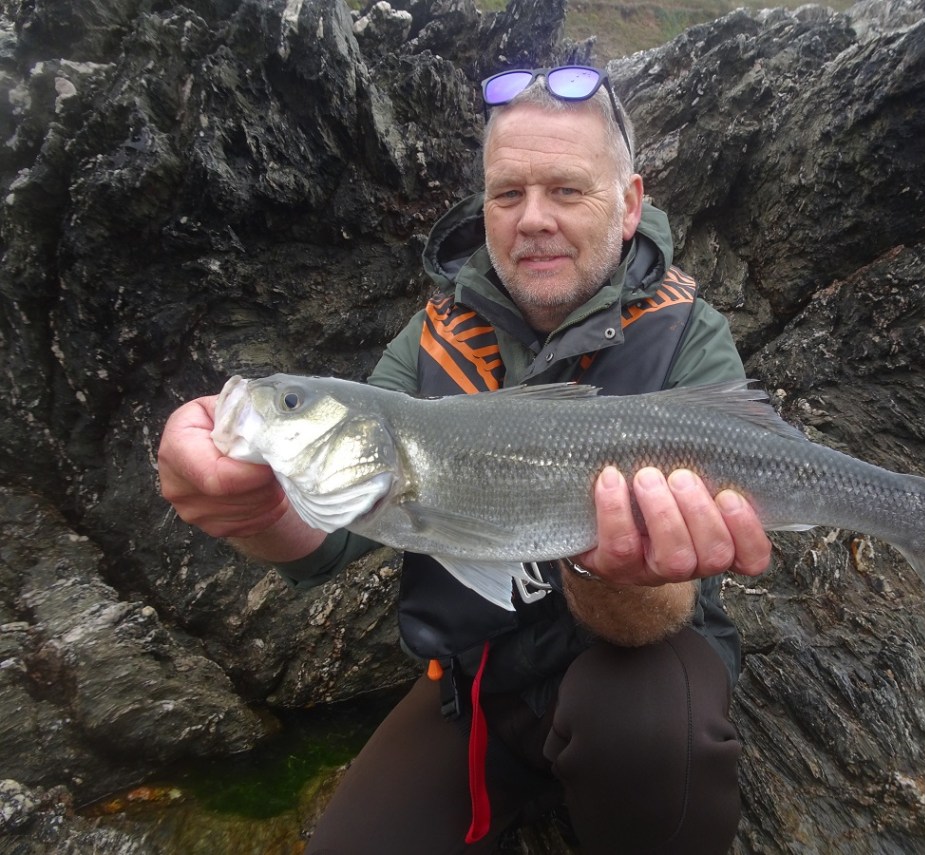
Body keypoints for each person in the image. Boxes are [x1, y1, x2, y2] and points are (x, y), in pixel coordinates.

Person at [158, 65, 771, 854]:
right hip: (475, 683)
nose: (532, 219)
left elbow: (677, 601)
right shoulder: (429, 343)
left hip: (640, 666)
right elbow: (324, 542)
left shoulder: (688, 334)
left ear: (628, 205)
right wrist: (257, 507)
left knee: (650, 731)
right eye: (507, 194)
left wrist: (598, 566)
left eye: (567, 191)